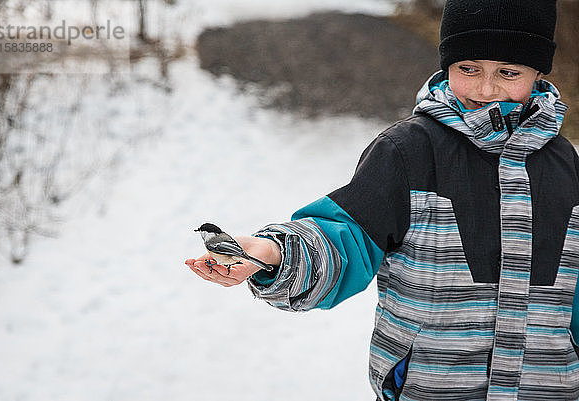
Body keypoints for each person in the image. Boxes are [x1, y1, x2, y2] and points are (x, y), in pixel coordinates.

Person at [186, 0, 579, 399]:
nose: (485, 88)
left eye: (508, 72)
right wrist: (274, 253)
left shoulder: (567, 167)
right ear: (448, 66)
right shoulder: (408, 152)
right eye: (468, 68)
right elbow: (346, 237)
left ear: (537, 72)